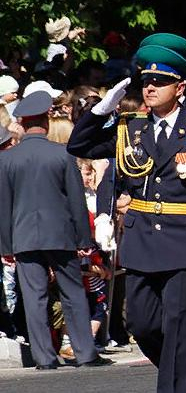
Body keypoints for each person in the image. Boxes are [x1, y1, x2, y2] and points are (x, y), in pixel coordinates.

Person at [67, 33, 186, 391]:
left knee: (178, 324)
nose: (151, 87)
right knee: (141, 323)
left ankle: (174, 382)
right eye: (146, 80)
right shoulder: (132, 127)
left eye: (160, 81)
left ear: (181, 86)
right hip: (143, 240)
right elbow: (78, 145)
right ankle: (181, 369)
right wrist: (101, 111)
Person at [0, 91, 111, 369]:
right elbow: (76, 200)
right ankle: (85, 353)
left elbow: (4, 206)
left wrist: (6, 247)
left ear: (23, 123)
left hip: (23, 236)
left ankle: (44, 358)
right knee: (72, 293)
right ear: (46, 122)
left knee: (34, 298)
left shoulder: (7, 160)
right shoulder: (62, 154)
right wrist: (85, 240)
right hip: (60, 235)